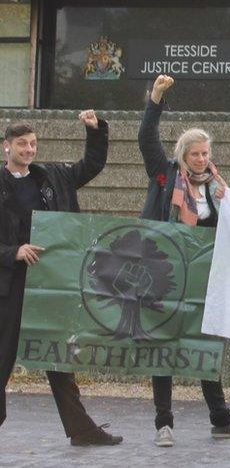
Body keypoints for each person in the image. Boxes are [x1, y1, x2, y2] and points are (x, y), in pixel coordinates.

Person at [138, 74, 230, 447]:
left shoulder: (218, 187)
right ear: (182, 156)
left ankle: (220, 420)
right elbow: (146, 138)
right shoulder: (165, 176)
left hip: (205, 279)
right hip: (167, 273)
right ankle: (164, 422)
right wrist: (156, 97)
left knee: (204, 346)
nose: (202, 159)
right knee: (165, 344)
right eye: (195, 154)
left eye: (206, 153)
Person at [0, 113, 122, 446]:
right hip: (9, 288)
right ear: (5, 146)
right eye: (22, 143)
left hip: (50, 284)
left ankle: (81, 429)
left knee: (56, 355)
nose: (29, 149)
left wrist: (95, 130)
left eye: (33, 143)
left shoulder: (51, 177)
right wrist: (13, 251)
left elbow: (92, 165)